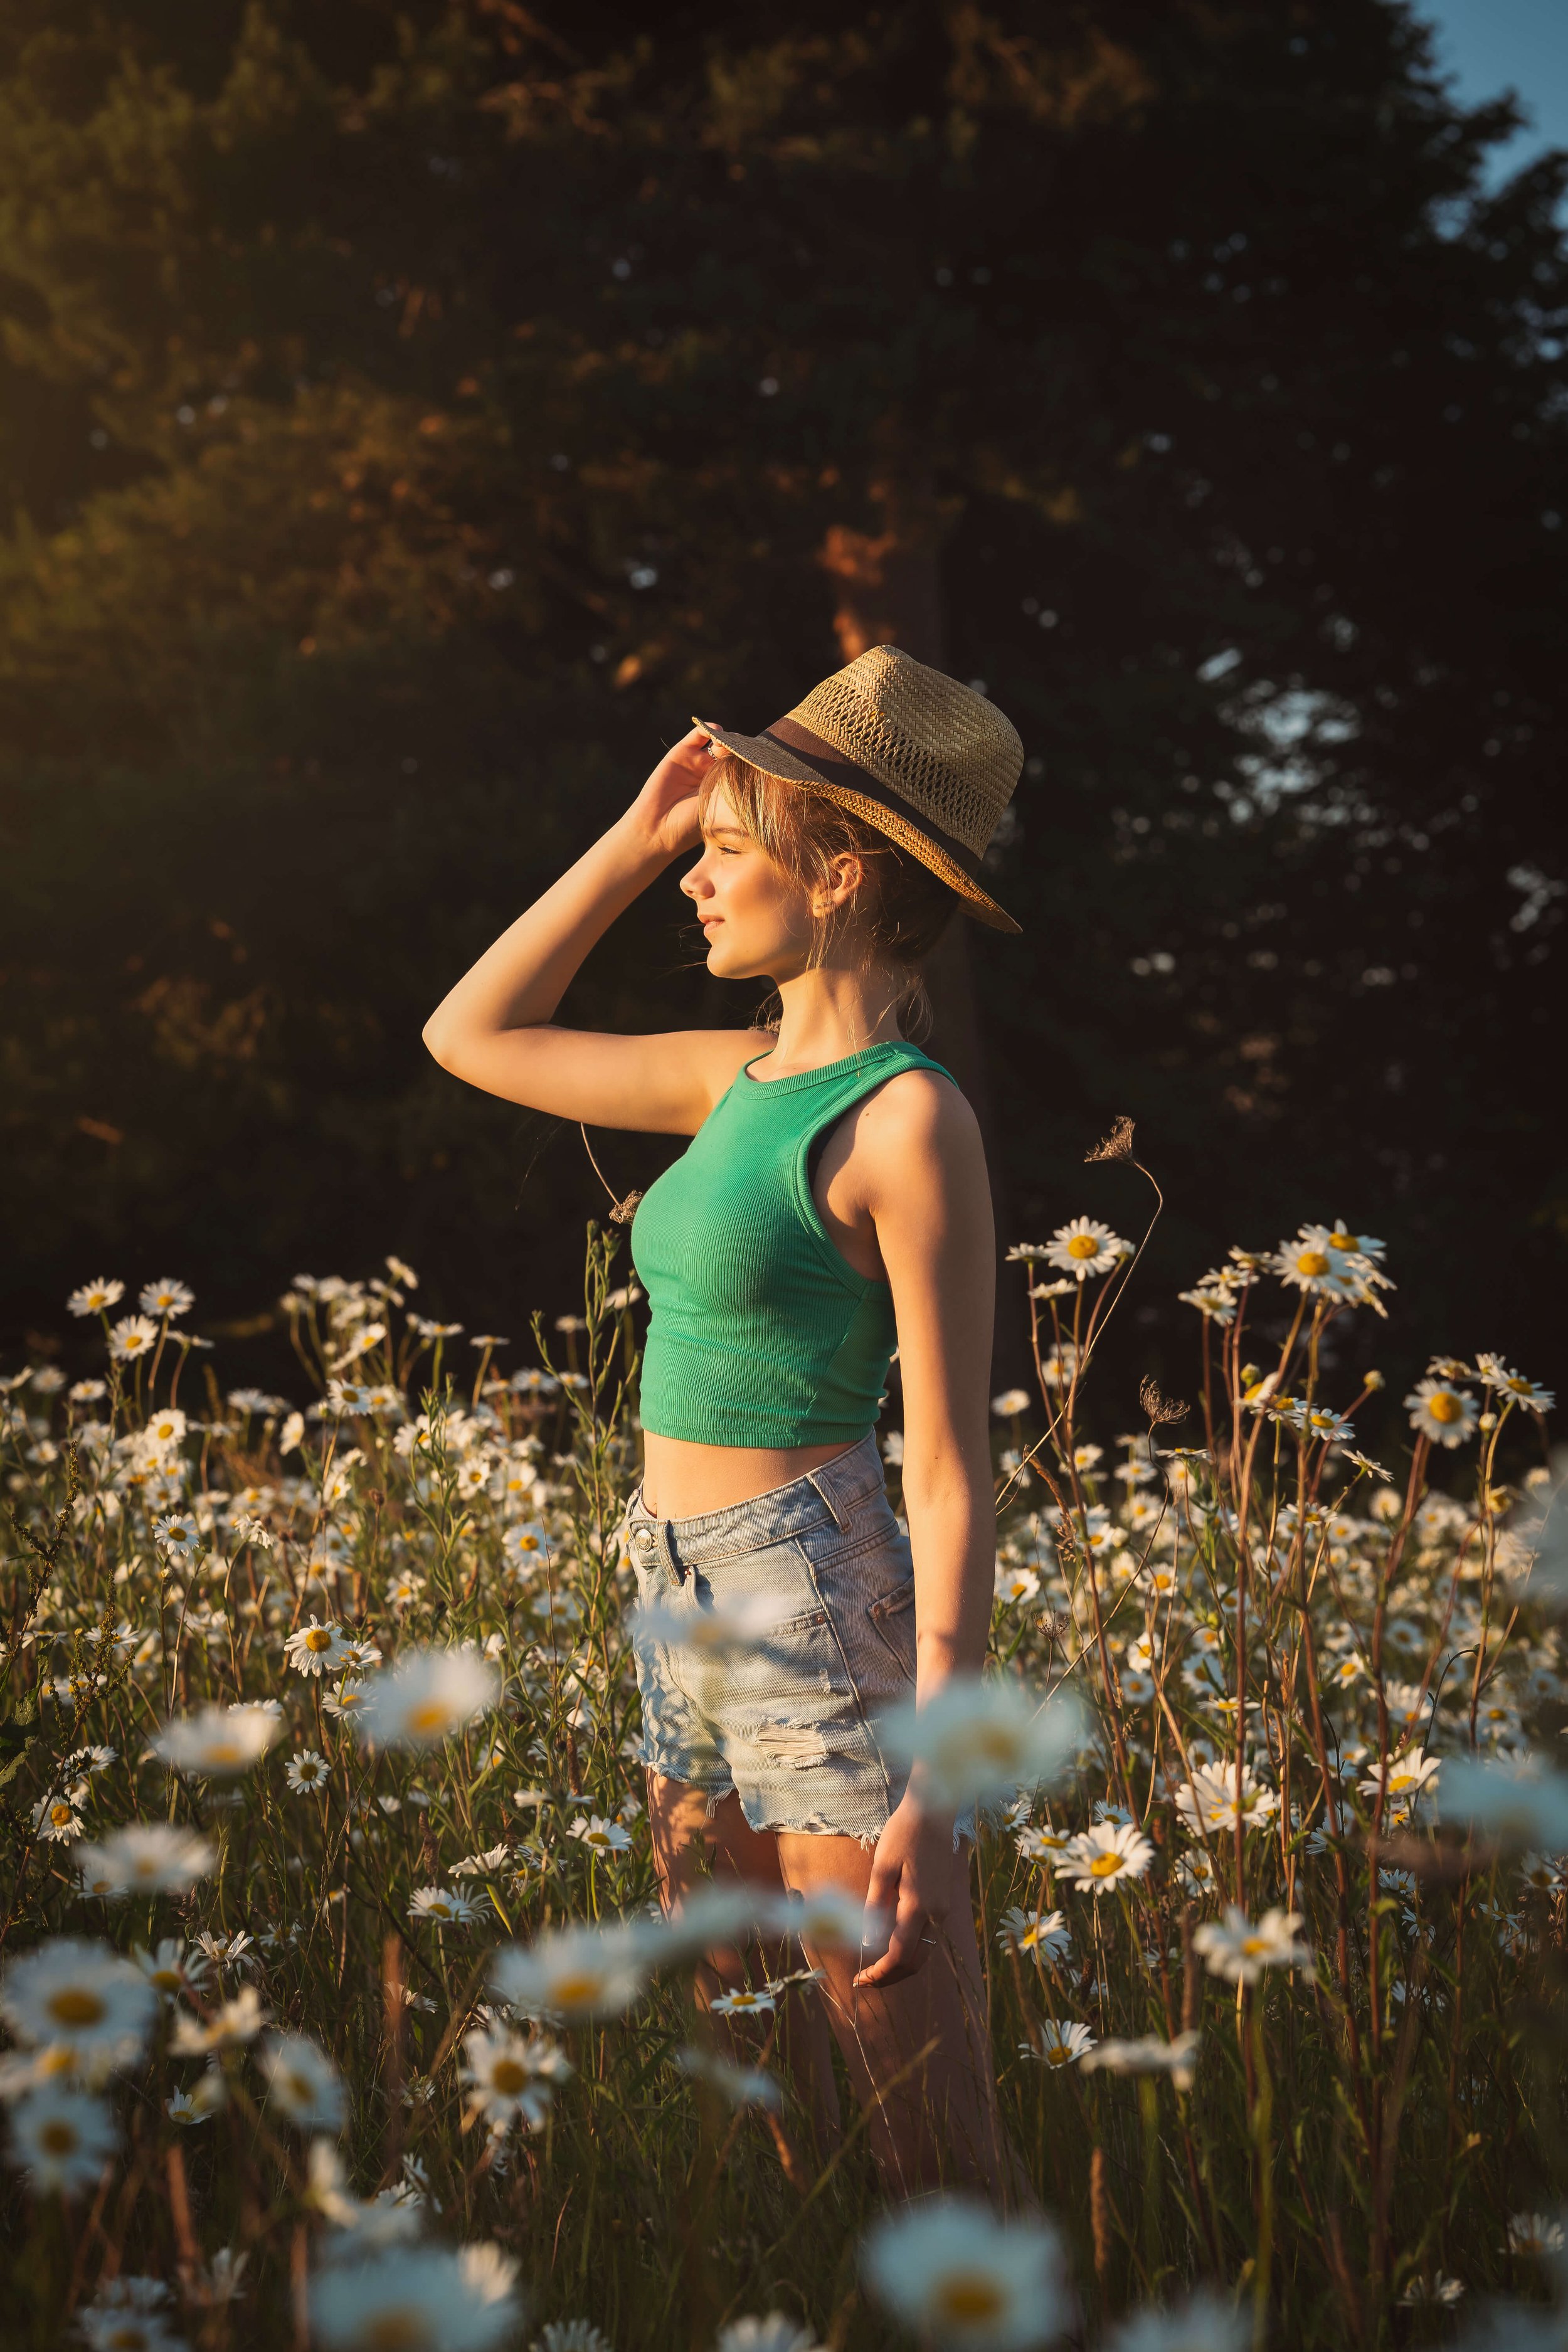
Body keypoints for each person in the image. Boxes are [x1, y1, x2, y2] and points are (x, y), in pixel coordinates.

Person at [423, 644, 1027, 2196]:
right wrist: (634, 839)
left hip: (811, 1590)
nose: (696, 882)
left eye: (725, 853)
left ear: (834, 875)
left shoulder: (904, 1116)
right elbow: (468, 1034)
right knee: (762, 2084)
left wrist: (940, 1779)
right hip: (672, 1582)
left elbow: (953, 1470)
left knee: (917, 2116)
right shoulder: (725, 1078)